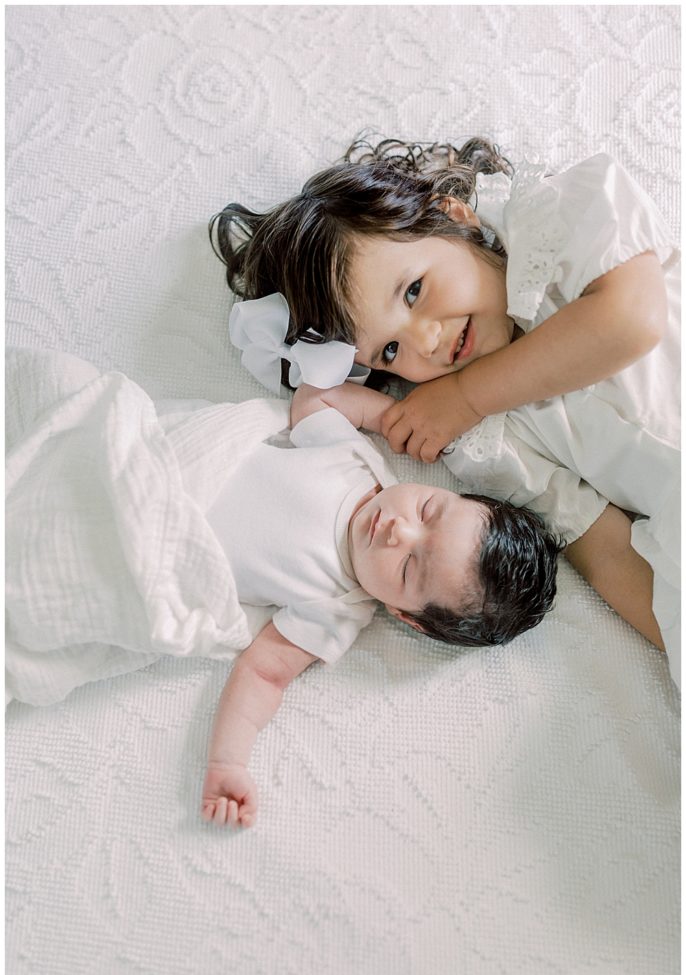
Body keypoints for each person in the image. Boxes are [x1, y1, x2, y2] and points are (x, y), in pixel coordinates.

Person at [5, 346, 563, 825]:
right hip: (153, 462)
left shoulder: (338, 607)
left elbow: (264, 674)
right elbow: (313, 402)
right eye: (429, 508)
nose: (399, 530)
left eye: (410, 567)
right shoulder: (358, 463)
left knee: (46, 575)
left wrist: (228, 763)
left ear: (405, 616)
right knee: (63, 392)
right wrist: (392, 415)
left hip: (151, 548)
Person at [211, 136, 680, 683]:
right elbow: (603, 550)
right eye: (390, 351)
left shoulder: (553, 221)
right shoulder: (485, 437)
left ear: (449, 216)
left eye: (413, 292)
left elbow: (631, 323)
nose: (426, 340)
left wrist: (467, 395)